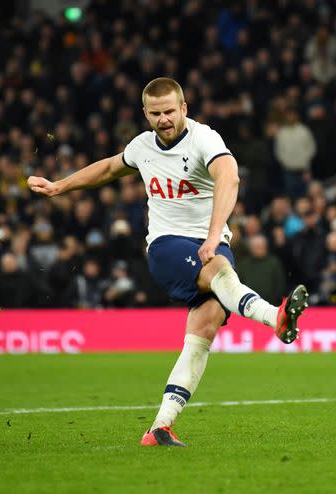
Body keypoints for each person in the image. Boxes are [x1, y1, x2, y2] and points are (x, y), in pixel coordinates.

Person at [28, 77, 309, 447]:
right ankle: (277, 317)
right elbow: (111, 168)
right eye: (155, 113)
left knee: (203, 332)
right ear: (145, 113)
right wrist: (61, 186)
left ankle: (160, 426)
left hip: (210, 243)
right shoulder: (143, 146)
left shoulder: (204, 139)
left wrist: (213, 236)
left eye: (169, 111)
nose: (163, 119)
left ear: (184, 109)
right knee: (220, 273)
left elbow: (229, 177)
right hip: (167, 246)